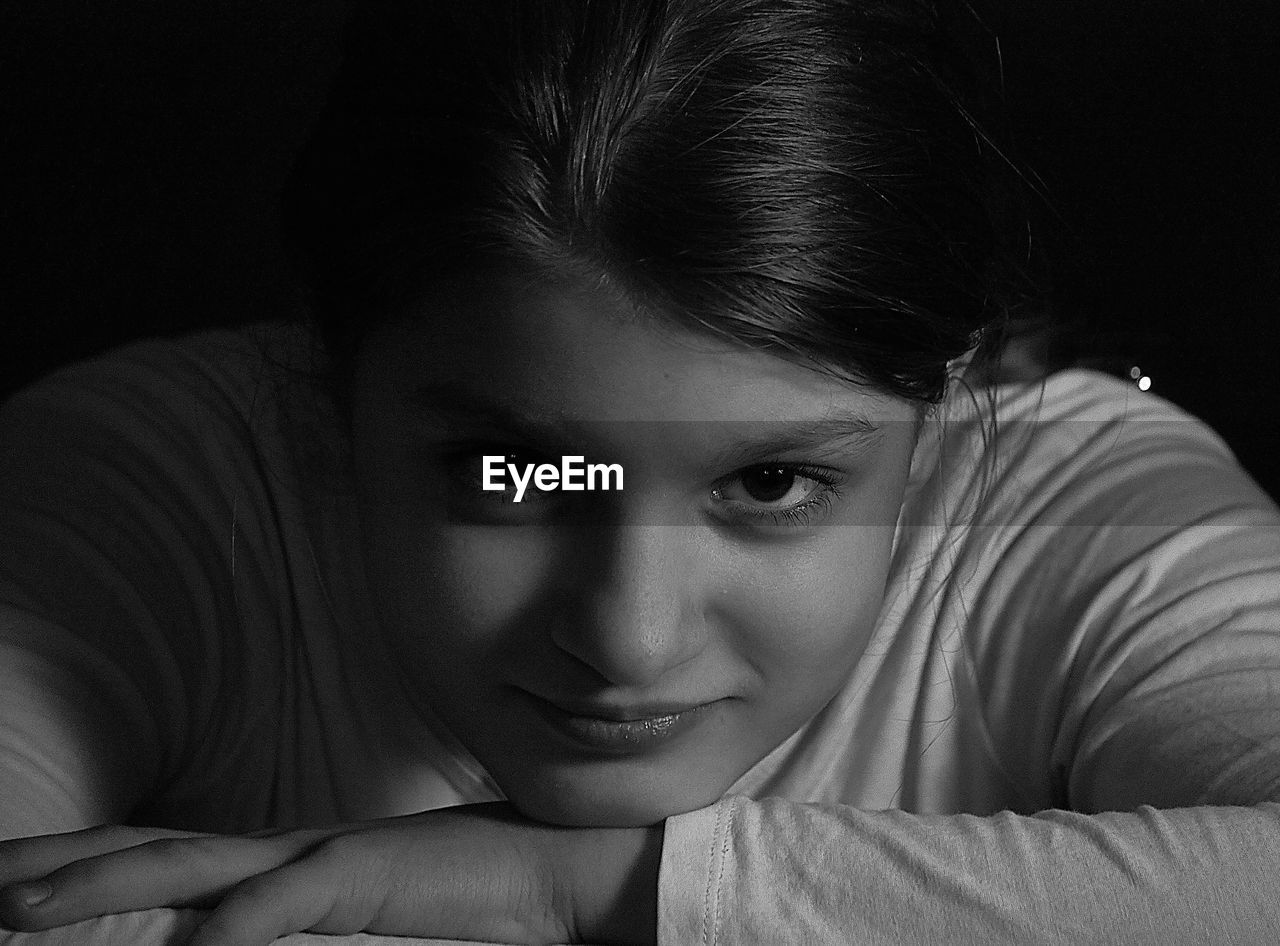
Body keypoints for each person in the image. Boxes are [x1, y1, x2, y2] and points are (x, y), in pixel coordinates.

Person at [1, 1, 1279, 944]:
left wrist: (599, 889)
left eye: (770, 482)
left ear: (942, 421)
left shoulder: (1081, 502)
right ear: (330, 393)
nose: (629, 637)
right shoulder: (161, 479)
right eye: (513, 469)